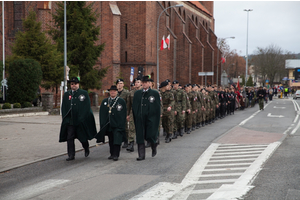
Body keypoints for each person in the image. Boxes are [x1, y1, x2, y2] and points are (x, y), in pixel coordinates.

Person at [59, 77, 97, 161]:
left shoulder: (83, 93)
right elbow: (64, 107)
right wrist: (65, 118)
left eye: (75, 84)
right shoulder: (67, 94)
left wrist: (82, 117)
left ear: (78, 84)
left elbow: (86, 107)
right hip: (70, 121)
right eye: (72, 84)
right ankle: (71, 155)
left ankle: (86, 147)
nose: (74, 86)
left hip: (80, 120)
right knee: (70, 137)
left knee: (82, 137)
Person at [132, 76, 161, 161]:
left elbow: (157, 107)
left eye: (146, 82)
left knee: (151, 134)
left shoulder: (154, 93)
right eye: (143, 82)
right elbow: (134, 106)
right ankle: (141, 155)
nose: (144, 84)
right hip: (140, 118)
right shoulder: (137, 93)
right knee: (140, 136)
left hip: (151, 118)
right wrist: (136, 116)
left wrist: (156, 118)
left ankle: (154, 145)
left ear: (149, 83)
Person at [96, 85, 127, 161]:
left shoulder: (121, 101)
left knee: (117, 139)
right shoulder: (105, 101)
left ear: (117, 92)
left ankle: (116, 154)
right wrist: (103, 124)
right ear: (109, 92)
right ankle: (112, 153)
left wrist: (122, 124)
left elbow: (123, 113)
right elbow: (102, 114)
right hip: (109, 124)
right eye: (111, 91)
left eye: (114, 91)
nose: (112, 92)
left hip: (117, 124)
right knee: (111, 139)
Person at [116, 79, 130, 149]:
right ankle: (118, 140)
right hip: (116, 113)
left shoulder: (126, 92)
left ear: (123, 84)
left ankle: (126, 140)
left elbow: (128, 103)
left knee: (125, 127)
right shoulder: (114, 92)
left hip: (123, 112)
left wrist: (128, 114)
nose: (119, 85)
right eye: (118, 83)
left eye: (121, 83)